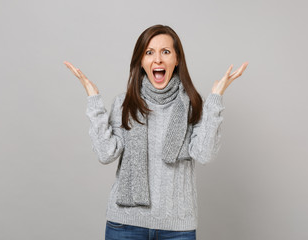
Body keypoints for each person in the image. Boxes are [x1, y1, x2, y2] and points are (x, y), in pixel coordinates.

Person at [64, 24, 248, 240]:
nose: (158, 59)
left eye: (166, 52)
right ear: (141, 61)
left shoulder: (194, 105)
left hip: (177, 227)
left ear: (177, 59)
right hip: (125, 224)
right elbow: (106, 154)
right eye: (149, 52)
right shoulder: (125, 103)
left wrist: (216, 98)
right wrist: (94, 100)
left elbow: (204, 154)